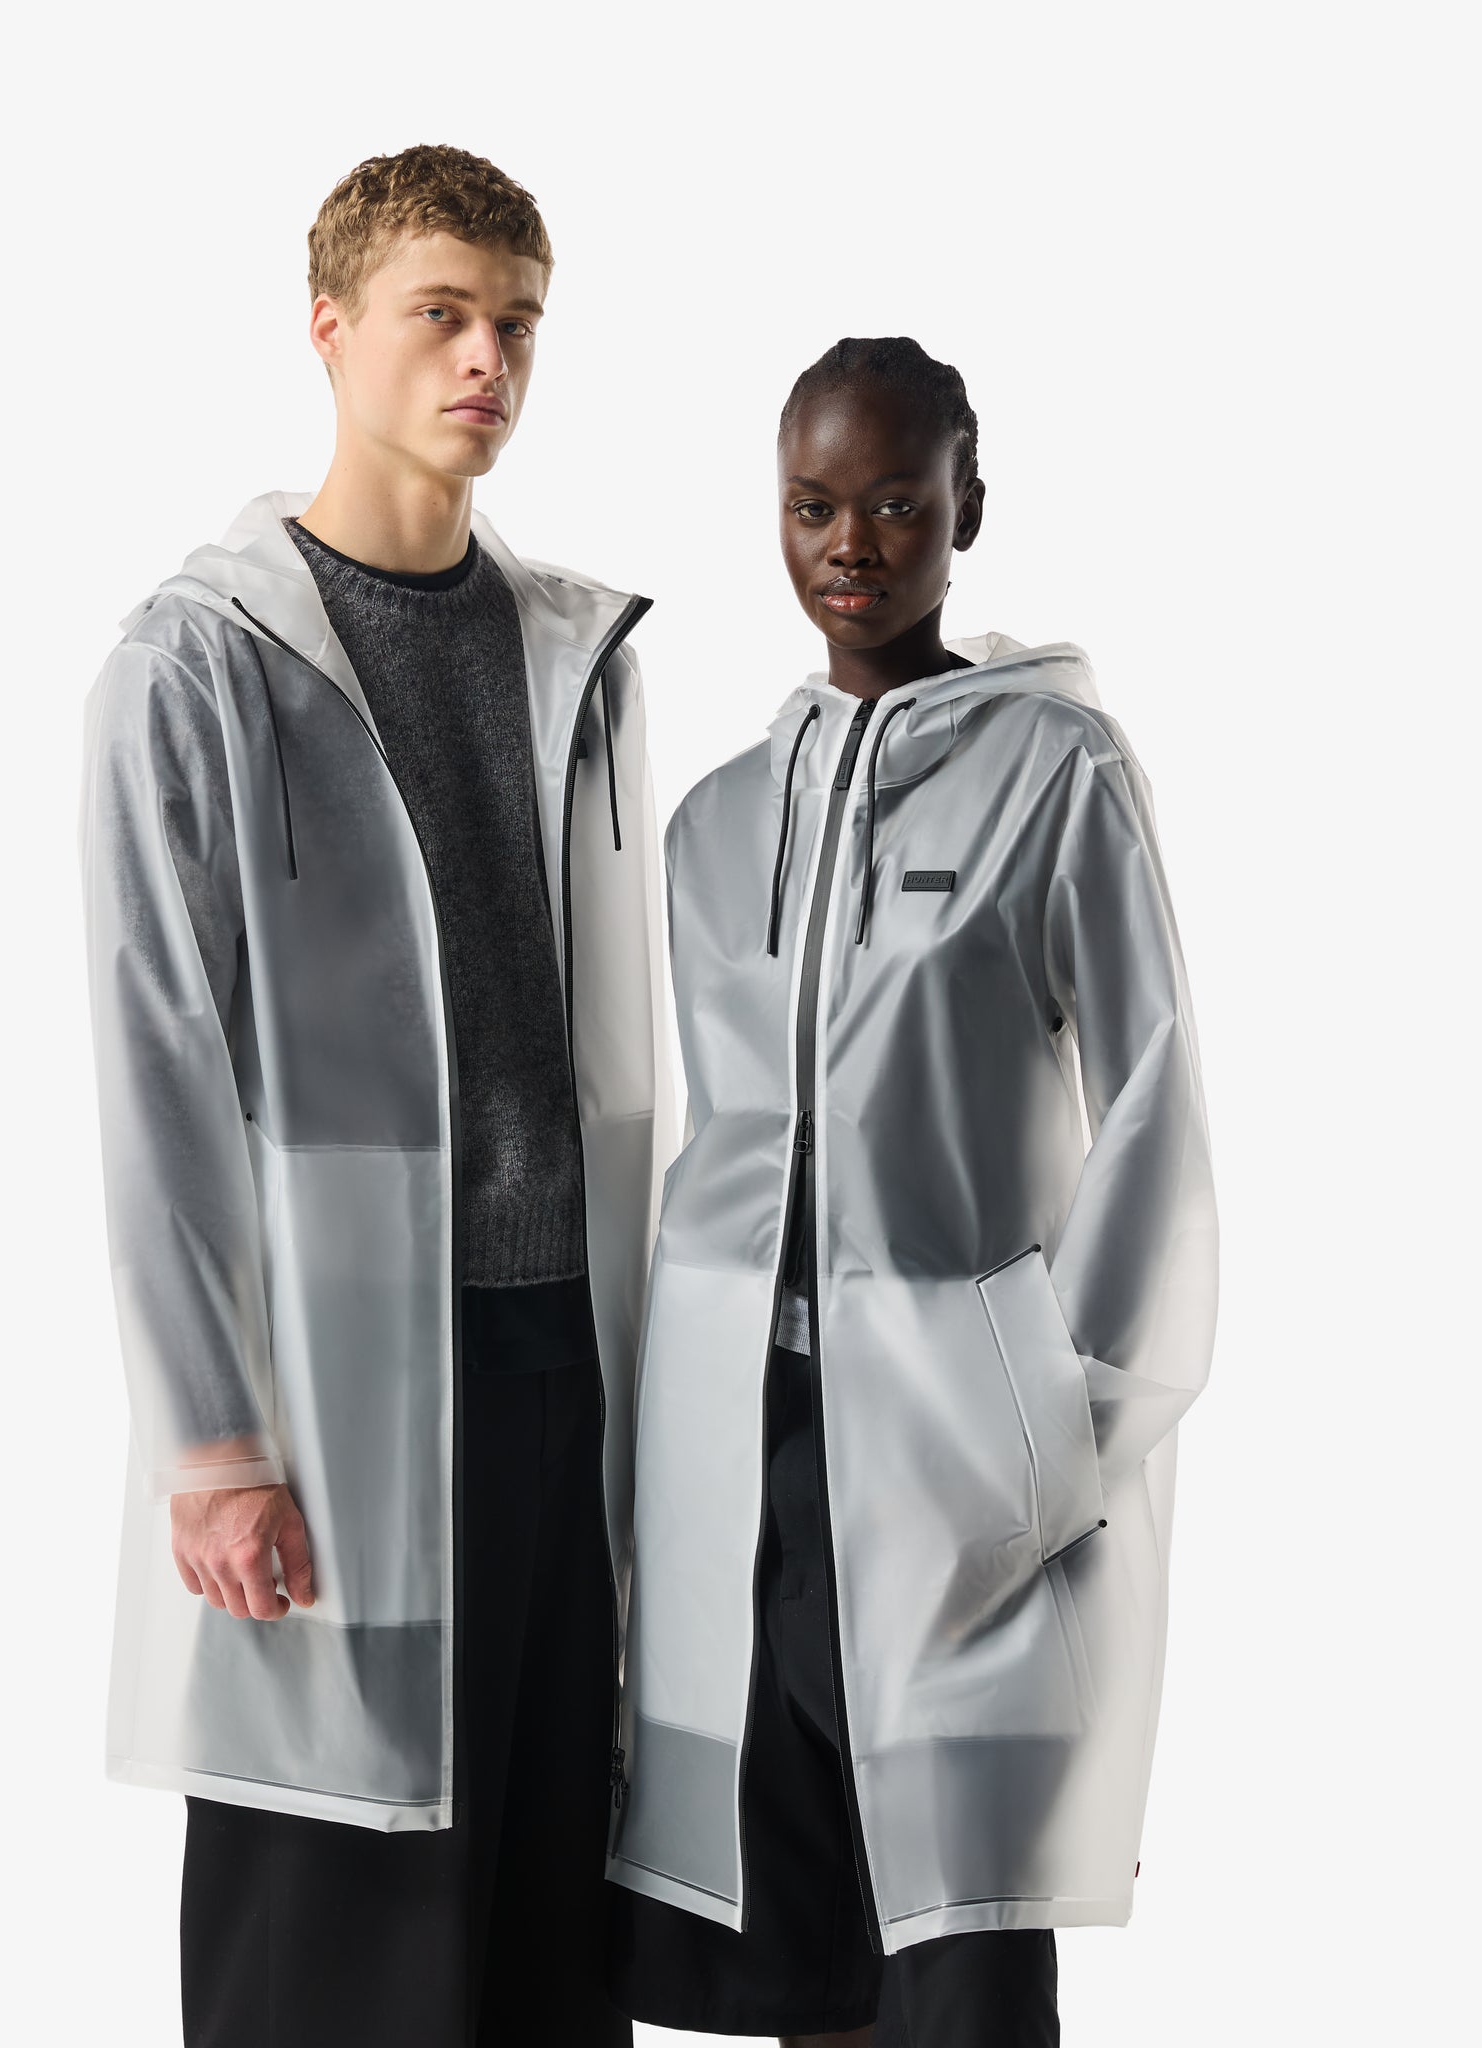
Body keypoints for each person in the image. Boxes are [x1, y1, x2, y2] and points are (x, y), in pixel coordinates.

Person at [78, 145, 670, 2047]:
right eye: (441, 315)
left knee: (548, 1927)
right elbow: (159, 1060)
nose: (486, 360)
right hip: (339, 1392)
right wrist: (211, 1441)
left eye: (518, 324)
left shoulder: (575, 652)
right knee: (333, 1928)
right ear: (329, 330)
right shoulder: (199, 664)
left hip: (565, 1360)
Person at [605, 337, 1217, 2047]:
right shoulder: (718, 822)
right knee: (794, 1954)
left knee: (960, 1962)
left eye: (893, 502)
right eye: (812, 506)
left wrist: (1053, 1424)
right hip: (741, 1465)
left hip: (957, 1462)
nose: (851, 545)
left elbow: (1152, 1105)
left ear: (967, 509)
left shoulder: (1056, 773)